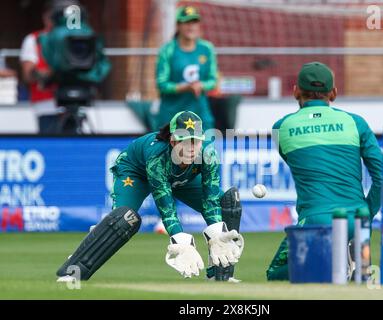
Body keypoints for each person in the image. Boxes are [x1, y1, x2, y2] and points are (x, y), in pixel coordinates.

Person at [56, 111, 244, 282]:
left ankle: (220, 276)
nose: (191, 148)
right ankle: (75, 267)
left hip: (180, 178)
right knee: (121, 220)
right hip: (135, 173)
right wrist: (180, 239)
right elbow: (165, 204)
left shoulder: (209, 154)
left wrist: (218, 235)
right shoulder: (157, 158)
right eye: (185, 141)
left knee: (227, 202)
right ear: (173, 141)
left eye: (196, 141)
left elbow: (210, 201)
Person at [266, 62, 383, 281]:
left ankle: (331, 266)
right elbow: (380, 172)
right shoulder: (356, 123)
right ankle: (341, 264)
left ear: (295, 91)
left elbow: (293, 160)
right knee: (358, 282)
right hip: (357, 220)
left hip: (315, 222)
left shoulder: (280, 128)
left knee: (276, 275)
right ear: (334, 93)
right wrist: (368, 211)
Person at [155, 5, 218, 131]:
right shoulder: (168, 50)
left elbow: (213, 80)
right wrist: (185, 87)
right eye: (186, 22)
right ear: (178, 25)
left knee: (205, 150)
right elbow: (162, 84)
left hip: (200, 114)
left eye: (194, 22)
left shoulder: (207, 49)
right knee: (169, 150)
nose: (191, 26)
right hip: (171, 116)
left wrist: (201, 85)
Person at [20, 0, 60, 134]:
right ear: (45, 17)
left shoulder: (74, 40)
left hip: (74, 105)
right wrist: (53, 74)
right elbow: (28, 75)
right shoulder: (33, 40)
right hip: (46, 107)